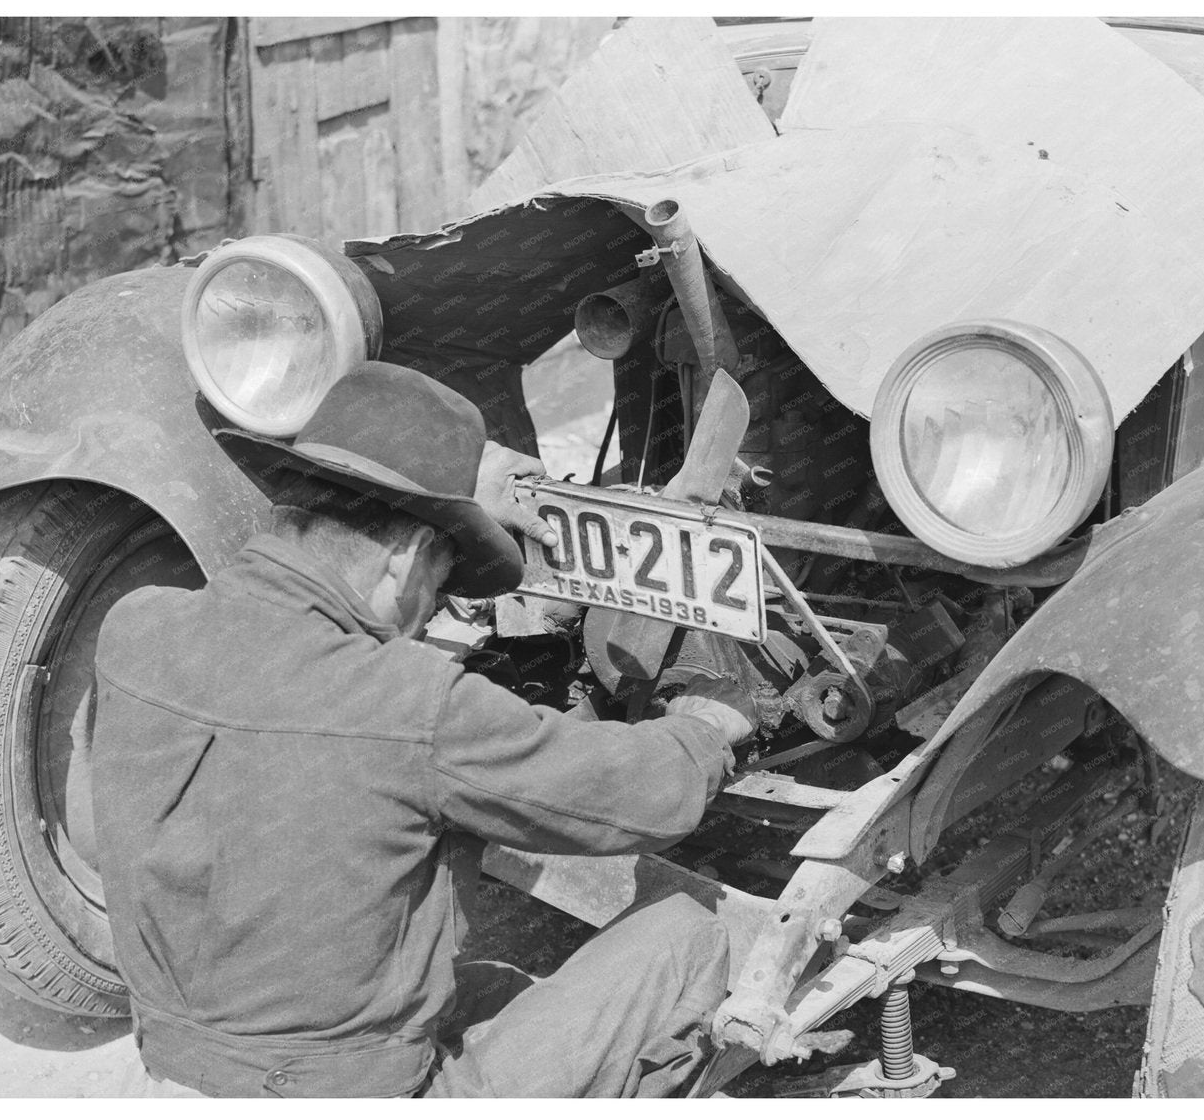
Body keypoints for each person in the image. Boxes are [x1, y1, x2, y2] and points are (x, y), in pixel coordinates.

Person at [90, 360, 758, 1098]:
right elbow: (632, 798)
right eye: (440, 587)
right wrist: (705, 729)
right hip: (341, 1092)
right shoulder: (410, 704)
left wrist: (459, 493)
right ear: (408, 559)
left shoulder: (135, 628)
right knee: (688, 938)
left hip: (180, 1063)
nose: (432, 612)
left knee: (493, 984)